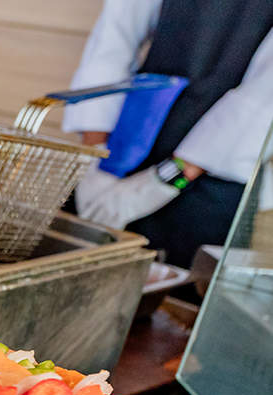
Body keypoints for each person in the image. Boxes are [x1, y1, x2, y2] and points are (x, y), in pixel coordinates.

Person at [65, 0, 273, 266]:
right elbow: (113, 40)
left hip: (209, 180)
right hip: (127, 148)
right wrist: (93, 158)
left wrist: (161, 182)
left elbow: (263, 99)